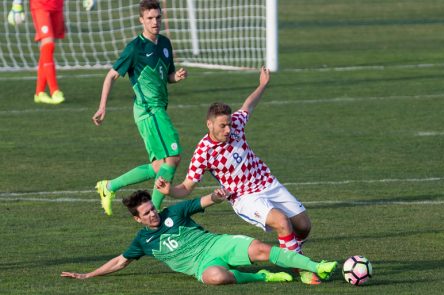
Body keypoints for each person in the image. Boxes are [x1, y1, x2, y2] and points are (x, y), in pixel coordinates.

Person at [155, 66, 322, 284]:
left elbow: (248, 106)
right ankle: (302, 268)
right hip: (245, 197)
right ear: (209, 124)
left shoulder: (236, 125)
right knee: (282, 222)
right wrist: (170, 190)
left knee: (303, 226)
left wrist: (262, 84)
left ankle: (290, 252)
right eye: (222, 125)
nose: (227, 130)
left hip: (267, 182)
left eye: (229, 124)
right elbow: (187, 187)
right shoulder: (203, 153)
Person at [60, 189, 337, 285]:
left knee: (262, 249)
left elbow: (203, 201)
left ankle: (315, 266)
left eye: (153, 208)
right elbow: (120, 261)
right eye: (146, 213)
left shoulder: (174, 212)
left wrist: (217, 196)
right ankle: (261, 277)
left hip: (216, 244)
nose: (153, 214)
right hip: (200, 267)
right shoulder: (142, 242)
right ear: (138, 219)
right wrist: (88, 276)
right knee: (217, 278)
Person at [91, 0, 187, 216]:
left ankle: (109, 187)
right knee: (173, 158)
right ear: (141, 20)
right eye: (150, 18)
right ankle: (154, 211)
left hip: (158, 109)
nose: (155, 22)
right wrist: (102, 106)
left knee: (160, 165)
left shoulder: (164, 43)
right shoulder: (135, 48)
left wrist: (176, 77)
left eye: (158, 17)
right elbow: (111, 75)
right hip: (149, 111)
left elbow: (167, 76)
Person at [7, 0, 94, 104]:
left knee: (47, 50)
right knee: (48, 44)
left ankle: (39, 93)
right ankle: (54, 91)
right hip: (40, 6)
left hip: (57, 6)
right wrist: (17, 4)